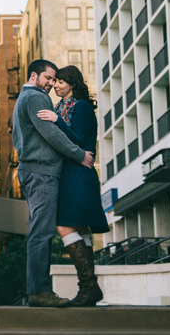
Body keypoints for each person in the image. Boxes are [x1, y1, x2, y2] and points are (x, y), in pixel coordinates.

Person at [12, 59, 95, 308]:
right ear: (34, 76)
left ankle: (60, 289)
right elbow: (51, 134)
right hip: (42, 172)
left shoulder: (25, 98)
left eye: (55, 79)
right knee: (43, 232)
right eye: (48, 78)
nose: (51, 83)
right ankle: (39, 291)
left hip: (36, 171)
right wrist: (79, 155)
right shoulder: (36, 98)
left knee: (47, 230)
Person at [38, 65, 109, 307]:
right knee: (80, 228)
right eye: (54, 81)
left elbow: (78, 139)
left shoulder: (81, 107)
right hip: (69, 172)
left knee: (64, 226)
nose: (55, 85)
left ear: (72, 83)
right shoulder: (60, 107)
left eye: (60, 81)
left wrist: (57, 120)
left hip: (79, 172)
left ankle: (89, 286)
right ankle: (89, 289)